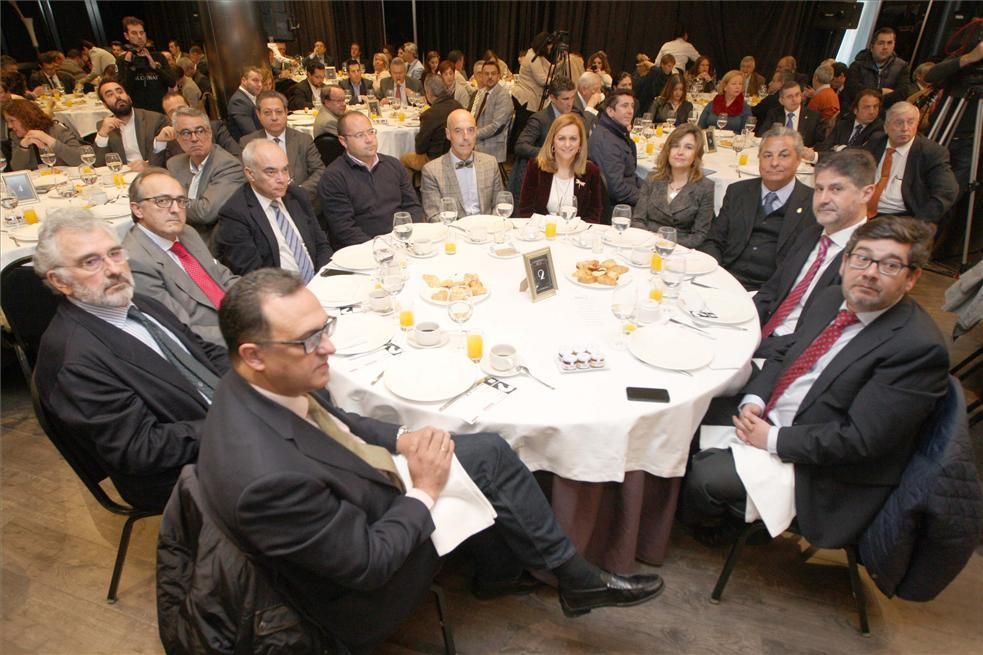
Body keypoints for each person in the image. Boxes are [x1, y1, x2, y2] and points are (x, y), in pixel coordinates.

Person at [198, 268, 665, 652]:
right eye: (308, 340)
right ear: (253, 355)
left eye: (326, 329)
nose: (329, 348)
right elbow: (369, 564)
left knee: (485, 450)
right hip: (361, 594)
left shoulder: (255, 383)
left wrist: (404, 437)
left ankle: (520, 574)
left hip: (361, 486)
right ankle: (562, 577)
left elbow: (337, 421)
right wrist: (423, 489)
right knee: (482, 461)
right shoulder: (266, 479)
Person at [682, 216, 948, 549]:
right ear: (845, 262)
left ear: (912, 279)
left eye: (890, 265)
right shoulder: (831, 299)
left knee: (705, 475)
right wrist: (755, 401)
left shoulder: (916, 348)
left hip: (822, 469)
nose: (869, 272)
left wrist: (773, 438)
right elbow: (785, 355)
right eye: (862, 258)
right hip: (777, 415)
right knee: (684, 416)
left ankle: (718, 525)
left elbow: (862, 441)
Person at [33, 209, 229, 511]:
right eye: (91, 262)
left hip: (214, 419)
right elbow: (141, 448)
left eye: (114, 253)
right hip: (179, 472)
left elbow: (201, 351)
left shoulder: (134, 302)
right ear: (60, 282)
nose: (114, 269)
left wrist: (257, 373)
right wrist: (232, 422)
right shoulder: (74, 360)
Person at [754, 150, 873, 357]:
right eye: (819, 189)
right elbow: (771, 290)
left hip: (795, 355)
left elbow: (826, 336)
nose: (823, 199)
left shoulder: (869, 259)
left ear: (866, 193)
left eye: (836, 189)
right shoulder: (810, 234)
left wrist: (752, 349)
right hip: (762, 333)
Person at [123, 169, 238, 346]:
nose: (176, 210)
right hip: (212, 345)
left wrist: (262, 299)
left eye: (180, 201)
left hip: (237, 316)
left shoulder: (187, 233)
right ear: (137, 209)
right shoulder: (136, 261)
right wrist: (247, 332)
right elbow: (180, 328)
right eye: (162, 201)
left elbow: (220, 275)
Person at [699, 126, 816, 290]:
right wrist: (714, 275)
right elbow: (714, 240)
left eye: (784, 155)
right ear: (759, 159)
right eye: (767, 155)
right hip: (726, 279)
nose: (774, 163)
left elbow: (809, 262)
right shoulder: (738, 192)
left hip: (774, 290)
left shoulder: (812, 203)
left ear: (798, 161)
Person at [215, 140, 332, 278]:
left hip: (319, 282)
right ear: (250, 174)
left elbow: (321, 244)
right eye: (271, 172)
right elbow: (252, 273)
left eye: (285, 169)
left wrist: (322, 280)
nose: (282, 179)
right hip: (280, 292)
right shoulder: (235, 214)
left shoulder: (296, 195)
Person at [319, 111, 424, 247]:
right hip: (364, 250)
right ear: (343, 141)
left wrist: (406, 236)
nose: (369, 139)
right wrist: (380, 248)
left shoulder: (393, 164)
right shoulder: (333, 177)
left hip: (403, 241)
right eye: (360, 135)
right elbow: (344, 229)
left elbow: (413, 206)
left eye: (371, 132)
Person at [863, 101, 959, 224]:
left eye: (911, 122)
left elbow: (947, 191)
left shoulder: (931, 152)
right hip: (863, 211)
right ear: (886, 127)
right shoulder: (877, 141)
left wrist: (919, 224)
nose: (905, 128)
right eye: (899, 122)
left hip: (902, 218)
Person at [166, 107, 246, 239]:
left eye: (200, 131)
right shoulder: (174, 164)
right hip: (175, 234)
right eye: (186, 133)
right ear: (177, 137)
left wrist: (171, 202)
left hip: (209, 240)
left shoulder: (228, 166)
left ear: (210, 133)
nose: (194, 138)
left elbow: (205, 212)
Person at [632, 123, 714, 248]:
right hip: (645, 244)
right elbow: (638, 220)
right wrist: (650, 240)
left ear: (697, 154)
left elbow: (699, 235)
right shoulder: (653, 178)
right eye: (675, 146)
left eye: (688, 147)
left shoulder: (705, 187)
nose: (680, 152)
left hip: (680, 249)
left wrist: (665, 241)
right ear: (668, 150)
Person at [518, 112, 603, 224]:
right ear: (552, 141)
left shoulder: (591, 171)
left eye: (573, 139)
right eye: (561, 138)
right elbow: (525, 210)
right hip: (542, 234)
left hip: (576, 236)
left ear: (581, 144)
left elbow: (594, 212)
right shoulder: (536, 167)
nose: (567, 144)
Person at [240, 90, 324, 202]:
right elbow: (246, 178)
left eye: (279, 112)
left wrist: (299, 192)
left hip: (302, 201)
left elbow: (319, 171)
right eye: (267, 113)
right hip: (267, 202)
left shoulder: (303, 139)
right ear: (258, 114)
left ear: (286, 112)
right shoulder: (248, 143)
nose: (274, 117)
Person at [421, 109, 504, 220]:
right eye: (458, 131)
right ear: (448, 134)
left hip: (487, 231)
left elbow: (499, 204)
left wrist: (488, 228)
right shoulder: (432, 171)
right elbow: (434, 216)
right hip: (453, 233)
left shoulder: (490, 163)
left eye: (470, 130)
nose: (466, 137)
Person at [510, 77, 577, 196]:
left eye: (572, 97)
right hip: (540, 179)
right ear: (552, 98)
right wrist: (550, 153)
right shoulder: (540, 119)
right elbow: (520, 146)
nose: (570, 103)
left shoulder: (575, 115)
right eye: (565, 99)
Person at [93, 79, 171, 171]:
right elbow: (99, 165)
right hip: (121, 178)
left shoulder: (155, 120)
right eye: (110, 95)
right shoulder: (104, 126)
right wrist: (102, 134)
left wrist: (149, 165)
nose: (117, 96)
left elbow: (167, 158)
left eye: (120, 91)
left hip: (150, 174)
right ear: (105, 105)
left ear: (128, 97)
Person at [588, 90, 641, 212]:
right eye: (624, 106)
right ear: (610, 111)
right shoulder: (607, 142)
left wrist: (651, 189)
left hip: (628, 198)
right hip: (618, 210)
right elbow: (617, 190)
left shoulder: (615, 133)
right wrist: (646, 198)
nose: (630, 111)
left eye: (632, 106)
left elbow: (631, 175)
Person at [400, 76, 462, 173]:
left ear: (429, 93)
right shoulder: (458, 106)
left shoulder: (429, 115)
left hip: (435, 159)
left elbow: (420, 148)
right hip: (458, 155)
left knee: (403, 158)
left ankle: (415, 187)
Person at [114, 16, 175, 111]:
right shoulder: (122, 60)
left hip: (161, 110)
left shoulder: (158, 56)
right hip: (139, 112)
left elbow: (172, 82)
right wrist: (130, 67)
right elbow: (124, 90)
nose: (139, 36)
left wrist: (155, 67)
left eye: (141, 33)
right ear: (126, 36)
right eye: (134, 33)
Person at [843, 26, 913, 109]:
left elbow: (902, 94)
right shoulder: (857, 65)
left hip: (886, 115)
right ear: (872, 47)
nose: (885, 47)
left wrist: (875, 99)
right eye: (881, 43)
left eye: (890, 43)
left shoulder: (902, 66)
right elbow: (855, 92)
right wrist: (881, 92)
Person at [2, 99, 83, 170]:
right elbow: (16, 169)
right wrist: (23, 147)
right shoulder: (16, 136)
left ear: (25, 118)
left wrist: (50, 141)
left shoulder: (57, 130)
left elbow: (80, 161)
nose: (9, 126)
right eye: (7, 122)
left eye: (12, 121)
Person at [163, 91, 240, 158]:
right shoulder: (170, 141)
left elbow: (237, 155)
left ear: (190, 107)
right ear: (167, 117)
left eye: (181, 108)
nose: (178, 113)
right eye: (172, 112)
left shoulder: (215, 128)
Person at [470, 58, 514, 163]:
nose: (490, 77)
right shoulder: (482, 92)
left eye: (493, 74)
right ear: (482, 76)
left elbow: (496, 126)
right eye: (486, 74)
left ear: (499, 76)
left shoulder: (503, 96)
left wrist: (474, 134)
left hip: (492, 145)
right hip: (479, 141)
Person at [511, 32, 554, 131]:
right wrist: (556, 81)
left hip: (529, 97)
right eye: (549, 47)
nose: (550, 50)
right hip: (526, 99)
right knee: (522, 128)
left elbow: (552, 68)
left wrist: (562, 62)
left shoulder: (538, 55)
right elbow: (542, 80)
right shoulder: (533, 57)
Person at [817, 89, 883, 152]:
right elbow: (824, 146)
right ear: (855, 110)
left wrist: (839, 148)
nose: (872, 111)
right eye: (867, 107)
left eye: (875, 107)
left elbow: (864, 151)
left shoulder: (879, 128)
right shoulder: (843, 124)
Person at [761, 81, 822, 149]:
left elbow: (821, 143)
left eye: (797, 95)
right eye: (790, 97)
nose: (794, 99)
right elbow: (763, 135)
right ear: (781, 100)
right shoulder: (774, 114)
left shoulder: (813, 116)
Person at [635, 54, 676, 124]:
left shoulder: (670, 77)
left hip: (660, 104)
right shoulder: (656, 73)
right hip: (648, 103)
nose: (670, 68)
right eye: (669, 66)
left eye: (672, 66)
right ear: (662, 65)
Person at [226, 66, 264, 141]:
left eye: (261, 81)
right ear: (244, 81)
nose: (260, 84)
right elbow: (251, 133)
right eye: (255, 80)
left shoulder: (250, 97)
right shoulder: (239, 101)